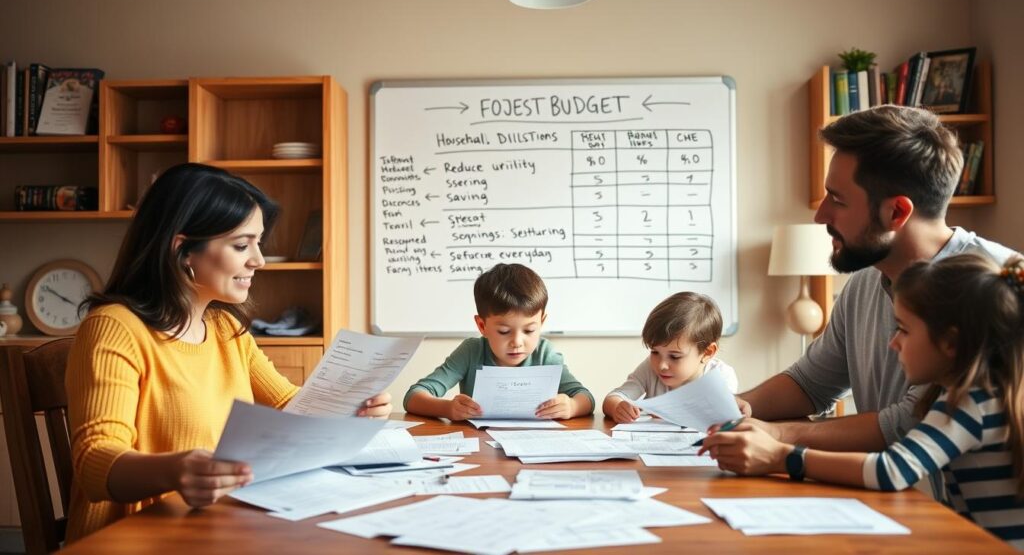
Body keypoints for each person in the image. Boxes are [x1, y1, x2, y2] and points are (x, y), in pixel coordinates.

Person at [65, 163, 392, 542]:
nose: (259, 260)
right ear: (183, 250)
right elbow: (93, 462)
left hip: (215, 526)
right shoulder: (114, 328)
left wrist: (354, 406)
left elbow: (291, 405)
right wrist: (176, 470)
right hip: (134, 538)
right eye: (241, 245)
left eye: (258, 243)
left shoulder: (225, 329)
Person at [735, 105, 1016, 454]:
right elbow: (810, 384)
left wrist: (778, 437)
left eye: (837, 199)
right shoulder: (868, 279)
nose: (821, 215)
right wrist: (734, 408)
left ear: (897, 212)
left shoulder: (994, 286)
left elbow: (909, 423)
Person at [702, 254, 1024, 550]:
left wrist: (782, 457)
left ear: (950, 343)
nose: (892, 342)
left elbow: (890, 470)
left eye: (903, 330)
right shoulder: (976, 395)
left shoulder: (971, 404)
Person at [404, 263, 594, 420]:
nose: (517, 342)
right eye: (504, 331)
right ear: (482, 325)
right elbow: (414, 396)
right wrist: (447, 409)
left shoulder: (545, 353)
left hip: (535, 444)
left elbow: (586, 398)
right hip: (480, 446)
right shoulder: (471, 351)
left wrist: (572, 406)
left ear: (541, 322)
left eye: (529, 330)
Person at [602, 291, 737, 424]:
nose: (662, 365)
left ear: (707, 352)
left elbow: (723, 414)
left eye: (674, 356)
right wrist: (618, 407)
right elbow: (613, 398)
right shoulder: (650, 368)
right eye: (655, 352)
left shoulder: (722, 375)